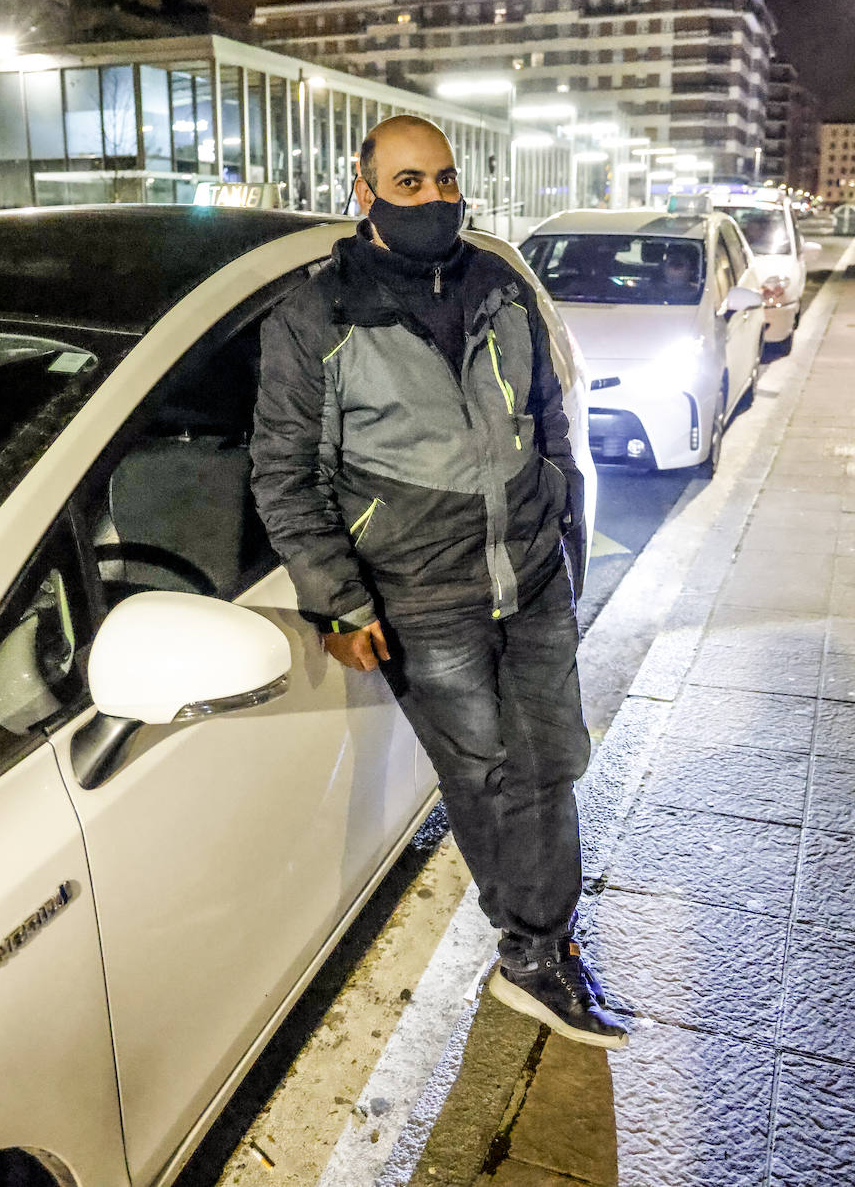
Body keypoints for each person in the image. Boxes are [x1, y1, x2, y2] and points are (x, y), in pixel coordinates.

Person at [251, 116, 627, 1049]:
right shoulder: (315, 319)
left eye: (446, 181)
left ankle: (541, 944)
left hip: (531, 574)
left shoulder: (499, 287)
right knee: (490, 776)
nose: (434, 199)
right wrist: (337, 596)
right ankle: (533, 953)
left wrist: (568, 526)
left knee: (554, 762)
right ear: (364, 188)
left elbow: (547, 420)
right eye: (409, 183)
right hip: (425, 593)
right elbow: (283, 474)